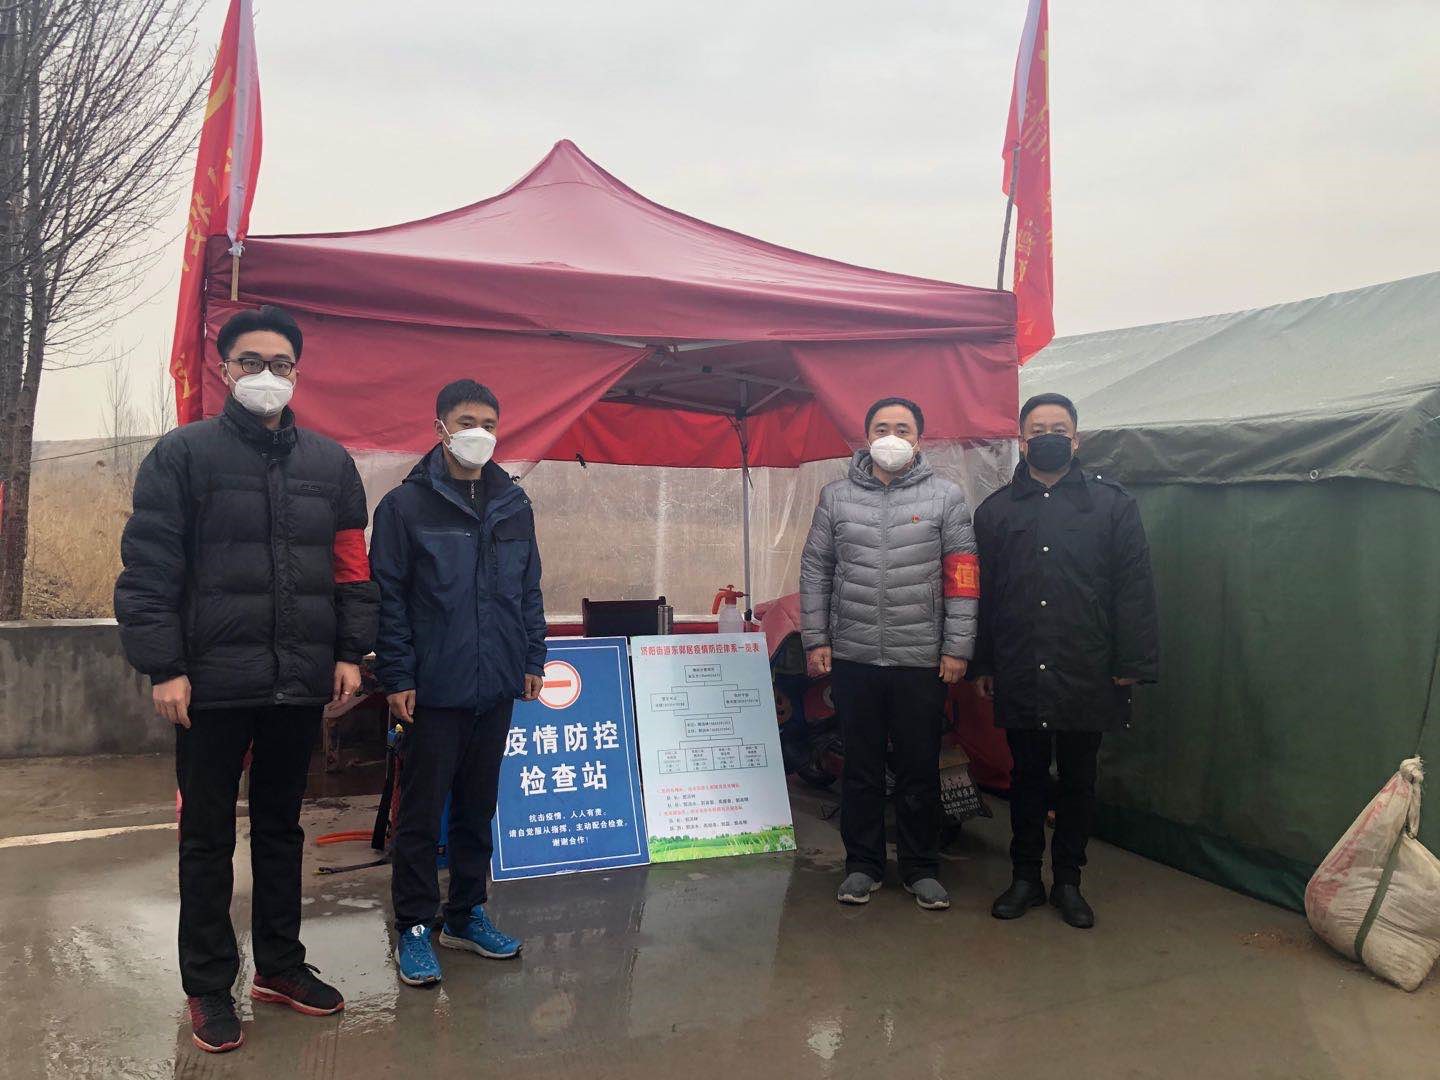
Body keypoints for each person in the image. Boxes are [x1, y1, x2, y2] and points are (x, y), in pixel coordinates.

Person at [115, 306, 378, 1054]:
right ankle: (208, 985)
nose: (267, 375)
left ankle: (280, 966)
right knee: (206, 837)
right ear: (225, 369)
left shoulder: (330, 464)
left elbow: (352, 570)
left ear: (298, 372)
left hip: (297, 682)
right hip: (210, 684)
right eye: (251, 362)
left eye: (281, 364)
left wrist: (350, 652)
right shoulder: (183, 455)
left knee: (282, 828)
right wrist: (165, 665)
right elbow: (149, 568)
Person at [369, 379, 547, 988]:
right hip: (433, 689)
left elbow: (528, 589)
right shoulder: (405, 508)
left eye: (489, 424)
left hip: (496, 683)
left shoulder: (513, 504)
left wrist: (533, 656)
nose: (480, 434)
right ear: (440, 428)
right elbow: (389, 599)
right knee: (421, 816)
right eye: (467, 422)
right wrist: (397, 674)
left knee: (478, 807)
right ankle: (416, 925)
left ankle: (466, 914)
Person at [971, 393, 1159, 929]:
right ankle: (1025, 877)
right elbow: (984, 595)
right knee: (1026, 776)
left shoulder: (1112, 505)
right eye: (1037, 429)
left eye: (1059, 429)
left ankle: (1069, 881)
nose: (1048, 437)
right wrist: (984, 663)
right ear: (1022, 441)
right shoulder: (996, 511)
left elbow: (1134, 587)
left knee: (1079, 778)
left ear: (1076, 440)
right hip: (1020, 663)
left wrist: (1131, 661)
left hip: (1089, 665)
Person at [800, 397, 979, 910]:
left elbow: (962, 577)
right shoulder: (836, 497)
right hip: (854, 656)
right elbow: (816, 571)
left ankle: (921, 868)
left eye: (903, 428)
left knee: (919, 767)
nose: (892, 437)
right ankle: (862, 865)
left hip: (920, 659)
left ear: (919, 440)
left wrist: (957, 647)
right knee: (860, 767)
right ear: (866, 437)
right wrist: (817, 639)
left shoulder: (946, 497)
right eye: (882, 428)